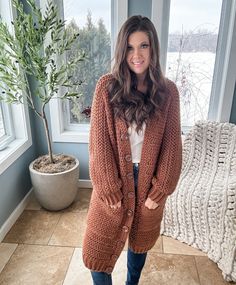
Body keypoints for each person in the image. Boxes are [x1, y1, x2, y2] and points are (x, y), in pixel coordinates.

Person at [82, 15, 182, 285]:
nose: (136, 54)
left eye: (143, 46)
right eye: (129, 47)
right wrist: (106, 185)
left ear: (153, 49)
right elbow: (98, 143)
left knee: (139, 245)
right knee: (96, 251)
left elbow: (172, 146)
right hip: (114, 182)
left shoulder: (168, 91)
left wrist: (159, 191)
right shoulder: (107, 87)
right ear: (121, 50)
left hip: (148, 184)